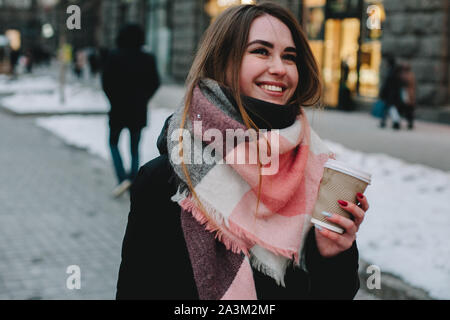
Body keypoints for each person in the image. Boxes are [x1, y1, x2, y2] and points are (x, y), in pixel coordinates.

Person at [116, 2, 370, 300]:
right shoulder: (163, 181)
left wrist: (334, 255)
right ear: (221, 61)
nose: (279, 69)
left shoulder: (314, 174)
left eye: (289, 57)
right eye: (261, 51)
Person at [102, 24, 160, 197]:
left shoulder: (114, 56)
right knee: (134, 148)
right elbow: (155, 82)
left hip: (118, 109)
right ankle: (132, 179)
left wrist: (114, 99)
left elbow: (106, 83)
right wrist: (144, 98)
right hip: (138, 110)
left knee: (113, 143)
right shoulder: (147, 58)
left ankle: (122, 179)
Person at [379, 56, 402, 129]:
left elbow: (387, 84)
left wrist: (383, 92)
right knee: (389, 108)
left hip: (391, 94)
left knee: (389, 108)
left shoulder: (391, 72)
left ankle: (393, 122)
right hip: (393, 94)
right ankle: (385, 121)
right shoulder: (395, 72)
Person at [399, 62, 416, 130]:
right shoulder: (410, 75)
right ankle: (409, 123)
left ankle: (409, 123)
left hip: (407, 95)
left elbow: (406, 84)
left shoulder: (406, 75)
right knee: (408, 110)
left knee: (408, 110)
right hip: (409, 95)